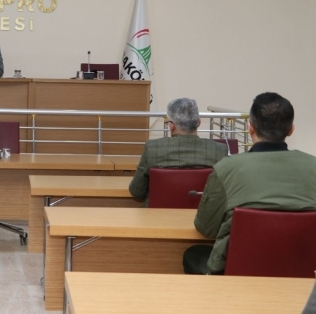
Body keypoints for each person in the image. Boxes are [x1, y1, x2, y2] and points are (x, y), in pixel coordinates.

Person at [184, 92, 316, 275]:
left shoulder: (227, 168)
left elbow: (205, 227)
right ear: (291, 130)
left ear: (250, 127)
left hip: (237, 274)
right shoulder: (313, 166)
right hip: (301, 276)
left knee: (193, 254)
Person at [129, 98, 228, 202]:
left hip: (159, 211)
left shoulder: (153, 148)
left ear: (171, 125)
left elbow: (137, 191)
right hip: (203, 211)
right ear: (198, 122)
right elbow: (224, 192)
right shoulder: (220, 150)